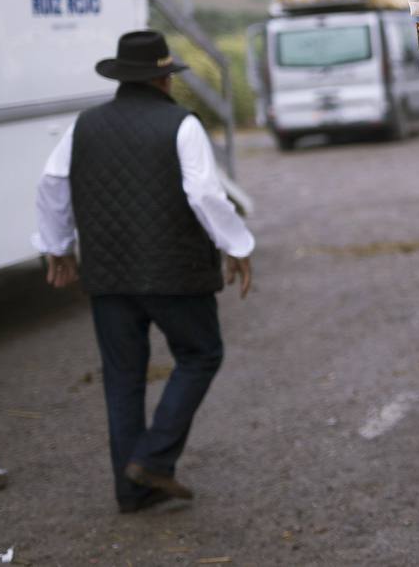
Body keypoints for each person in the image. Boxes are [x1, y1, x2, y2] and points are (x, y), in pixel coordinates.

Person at [32, 30, 254, 513]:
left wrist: (58, 246)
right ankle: (153, 459)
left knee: (122, 376)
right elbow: (205, 195)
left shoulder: (84, 126)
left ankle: (132, 492)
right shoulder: (182, 124)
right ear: (162, 78)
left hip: (108, 276)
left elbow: (52, 183)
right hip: (175, 272)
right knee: (200, 354)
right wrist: (236, 245)